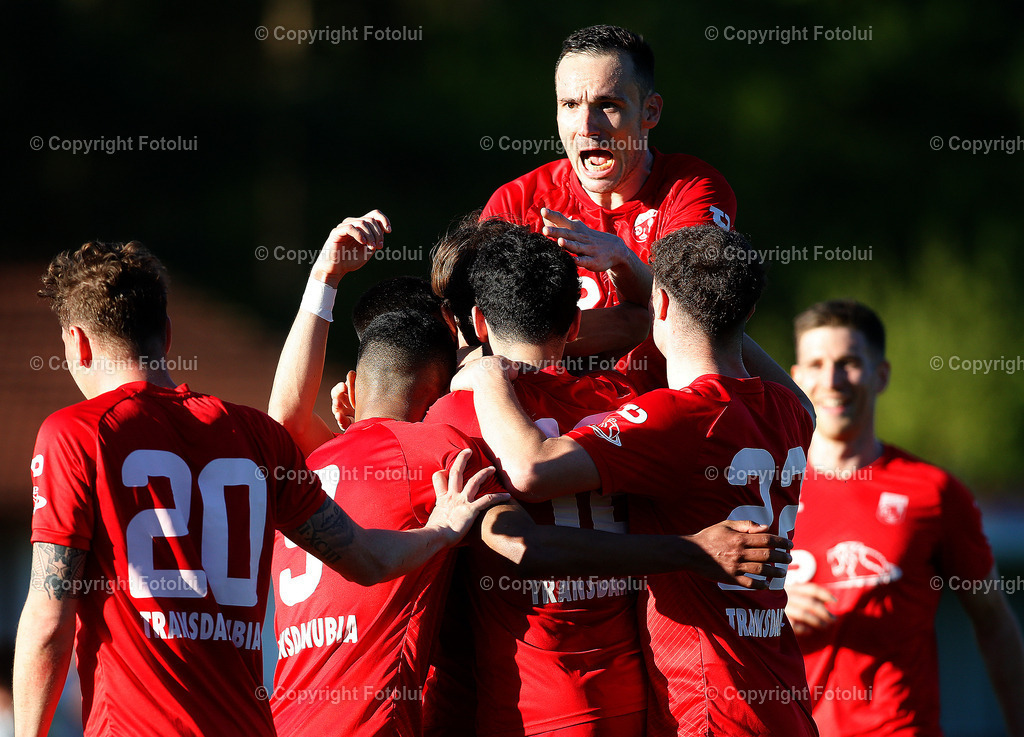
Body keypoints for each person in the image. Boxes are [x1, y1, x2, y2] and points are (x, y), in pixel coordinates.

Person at [270, 213, 795, 737]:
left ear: (477, 323)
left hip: (535, 708)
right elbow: (673, 326)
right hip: (639, 693)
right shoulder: (629, 401)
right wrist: (641, 275)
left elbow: (525, 534)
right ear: (573, 325)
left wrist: (375, 414)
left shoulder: (456, 420)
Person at [12, 240, 506, 737]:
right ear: (166, 332)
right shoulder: (254, 436)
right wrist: (441, 530)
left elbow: (49, 622)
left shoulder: (77, 433)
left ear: (77, 341)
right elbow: (367, 560)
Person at [452, 224, 819, 736]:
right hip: (783, 692)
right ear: (749, 311)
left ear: (660, 304)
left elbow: (531, 468)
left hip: (711, 701)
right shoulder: (789, 412)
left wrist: (488, 374)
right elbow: (801, 398)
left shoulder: (678, 416)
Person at [784, 299, 1024, 737]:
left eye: (849, 363)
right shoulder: (762, 487)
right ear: (797, 378)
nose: (832, 380)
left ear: (882, 375)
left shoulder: (932, 493)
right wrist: (769, 604)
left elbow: (993, 620)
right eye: (817, 364)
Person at [482, 24, 736, 391]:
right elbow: (478, 338)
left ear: (650, 111)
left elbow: (692, 321)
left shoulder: (692, 188)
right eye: (570, 105)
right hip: (548, 425)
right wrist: (630, 322)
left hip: (658, 422)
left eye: (608, 105)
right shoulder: (516, 204)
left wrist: (622, 260)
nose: (587, 126)